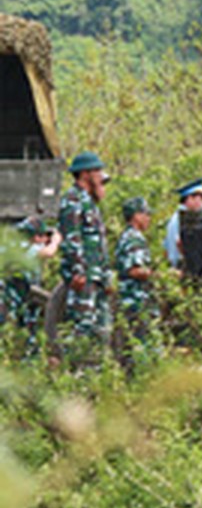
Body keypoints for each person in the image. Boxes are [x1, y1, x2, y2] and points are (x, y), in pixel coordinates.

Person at [57, 151, 112, 356]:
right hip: (84, 276)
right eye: (97, 170)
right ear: (85, 174)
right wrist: (78, 270)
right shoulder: (72, 200)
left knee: (102, 329)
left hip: (97, 275)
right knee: (82, 327)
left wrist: (106, 276)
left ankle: (98, 374)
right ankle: (78, 374)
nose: (101, 175)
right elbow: (72, 237)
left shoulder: (90, 203)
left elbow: (99, 243)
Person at [5, 216, 61, 352]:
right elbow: (48, 252)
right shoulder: (25, 248)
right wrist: (55, 241)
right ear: (36, 237)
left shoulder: (13, 246)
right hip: (15, 298)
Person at [115, 196, 157, 337]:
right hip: (136, 299)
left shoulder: (126, 235)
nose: (148, 218)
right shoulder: (134, 238)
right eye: (146, 214)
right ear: (136, 216)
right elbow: (134, 270)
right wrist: (159, 275)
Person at [164, 179, 202, 269]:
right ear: (190, 198)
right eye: (200, 199)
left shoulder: (173, 218)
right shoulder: (184, 220)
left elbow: (165, 251)